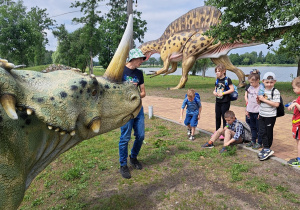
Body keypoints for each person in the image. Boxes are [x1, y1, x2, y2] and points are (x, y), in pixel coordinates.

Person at [119, 48, 146, 179]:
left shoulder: (139, 73)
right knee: (125, 137)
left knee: (140, 135)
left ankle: (133, 157)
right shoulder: (120, 71)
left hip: (138, 108)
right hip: (125, 110)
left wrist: (135, 95)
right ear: (133, 59)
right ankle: (123, 165)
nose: (142, 61)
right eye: (140, 59)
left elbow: (143, 92)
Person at [257, 72, 280, 161]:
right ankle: (265, 147)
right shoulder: (262, 91)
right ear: (263, 81)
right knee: (262, 131)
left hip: (270, 115)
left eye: (271, 82)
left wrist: (263, 100)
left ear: (275, 82)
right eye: (267, 82)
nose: (269, 84)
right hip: (262, 114)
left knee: (268, 132)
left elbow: (276, 104)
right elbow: (260, 103)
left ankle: (267, 148)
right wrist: (259, 100)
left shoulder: (275, 91)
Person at [213, 64, 234, 138]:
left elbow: (232, 89)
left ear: (223, 71)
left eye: (218, 71)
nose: (217, 73)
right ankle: (217, 132)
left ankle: (224, 133)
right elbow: (215, 89)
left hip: (225, 101)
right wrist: (214, 92)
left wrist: (223, 93)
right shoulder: (217, 80)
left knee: (225, 118)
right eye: (216, 71)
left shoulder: (227, 80)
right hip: (218, 101)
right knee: (217, 117)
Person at [245, 73, 262, 149]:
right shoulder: (250, 88)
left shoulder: (261, 89)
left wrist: (261, 112)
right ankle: (253, 140)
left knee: (259, 128)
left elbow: (263, 102)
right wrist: (247, 110)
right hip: (251, 111)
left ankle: (259, 142)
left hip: (258, 111)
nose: (251, 84)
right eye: (250, 82)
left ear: (258, 80)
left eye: (252, 82)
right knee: (252, 127)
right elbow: (249, 100)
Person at [287, 77, 300, 166]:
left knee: (299, 142)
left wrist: (295, 104)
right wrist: (296, 101)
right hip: (296, 123)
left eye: (294, 88)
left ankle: (299, 160)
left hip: (299, 124)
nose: (293, 90)